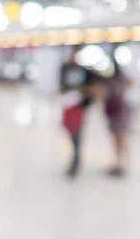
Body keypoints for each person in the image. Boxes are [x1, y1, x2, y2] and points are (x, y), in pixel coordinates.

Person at [60, 46, 98, 179]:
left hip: (79, 106)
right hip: (68, 104)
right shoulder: (65, 68)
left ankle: (76, 160)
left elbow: (92, 88)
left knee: (77, 133)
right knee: (70, 131)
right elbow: (61, 86)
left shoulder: (85, 71)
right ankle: (76, 157)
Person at [104, 59, 134, 177]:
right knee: (116, 139)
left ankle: (124, 163)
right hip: (115, 113)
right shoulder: (112, 82)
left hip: (121, 113)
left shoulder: (122, 81)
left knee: (122, 138)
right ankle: (117, 162)